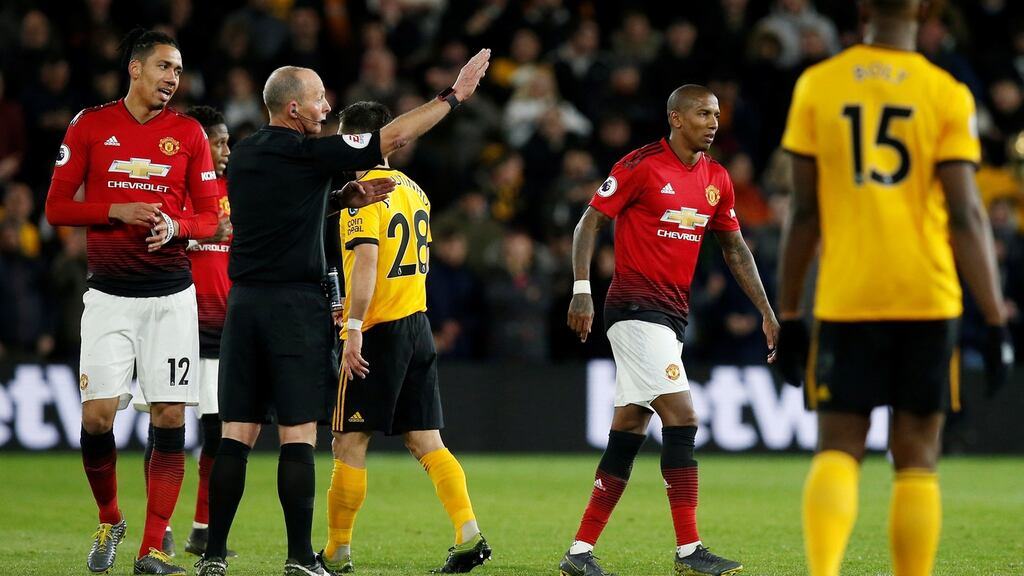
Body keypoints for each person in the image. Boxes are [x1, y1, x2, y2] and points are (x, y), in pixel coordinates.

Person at [195, 49, 491, 576]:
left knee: (235, 434)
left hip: (243, 307)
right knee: (300, 436)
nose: (326, 108)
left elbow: (281, 210)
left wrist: (338, 198)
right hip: (308, 310)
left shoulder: (241, 156)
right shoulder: (318, 157)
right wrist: (453, 97)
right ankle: (302, 557)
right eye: (317, 100)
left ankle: (214, 556)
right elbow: (393, 139)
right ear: (292, 110)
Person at [775, 1, 1014, 575]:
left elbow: (802, 213)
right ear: (927, 10)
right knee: (917, 458)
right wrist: (996, 317)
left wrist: (788, 313)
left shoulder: (818, 84)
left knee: (838, 448)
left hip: (847, 293)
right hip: (927, 296)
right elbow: (966, 215)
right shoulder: (947, 91)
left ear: (858, 8)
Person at [562, 84, 779, 576]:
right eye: (703, 113)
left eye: (717, 114)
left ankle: (579, 551)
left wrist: (767, 312)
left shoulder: (717, 179)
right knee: (682, 417)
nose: (713, 122)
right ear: (676, 118)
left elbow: (736, 249)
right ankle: (688, 550)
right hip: (635, 309)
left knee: (629, 429)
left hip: (672, 315)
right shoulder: (640, 165)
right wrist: (581, 288)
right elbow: (589, 223)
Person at [44, 29, 219, 576]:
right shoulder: (90, 125)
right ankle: (111, 517)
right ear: (136, 69)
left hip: (171, 297)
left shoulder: (190, 134)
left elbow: (212, 218)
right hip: (109, 297)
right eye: (165, 67)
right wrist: (115, 210)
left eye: (178, 70)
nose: (173, 79)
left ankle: (152, 548)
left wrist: (176, 224)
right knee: (98, 419)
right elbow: (55, 208)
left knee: (168, 416)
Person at [322, 101, 491, 575]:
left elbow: (369, 262)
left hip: (377, 328)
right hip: (417, 325)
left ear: (356, 139)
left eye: (342, 136)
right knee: (426, 440)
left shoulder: (362, 194)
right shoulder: (416, 192)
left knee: (348, 441)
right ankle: (468, 533)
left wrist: (352, 328)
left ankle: (337, 552)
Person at [138, 105, 237, 559]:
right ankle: (158, 531)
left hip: (221, 333)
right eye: (218, 142)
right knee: (164, 432)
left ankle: (203, 527)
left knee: (216, 434)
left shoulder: (234, 193)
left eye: (227, 142)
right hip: (173, 326)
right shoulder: (171, 187)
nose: (225, 151)